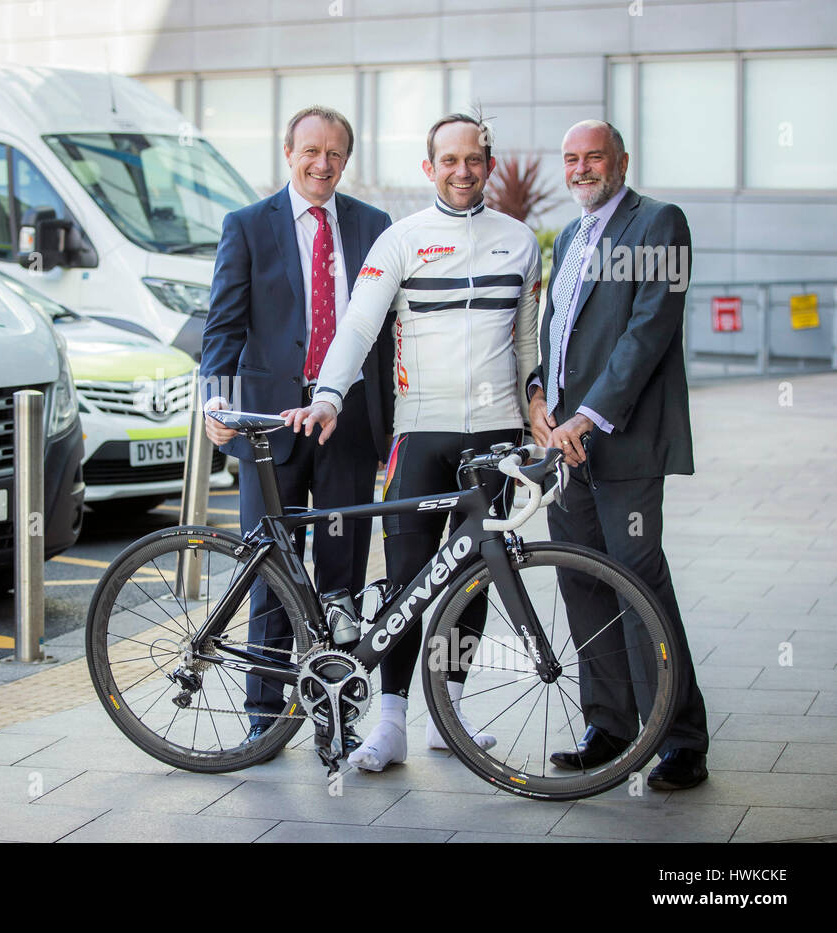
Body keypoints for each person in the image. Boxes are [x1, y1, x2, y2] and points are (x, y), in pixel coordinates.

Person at [285, 114, 541, 772]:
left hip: (497, 433)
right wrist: (330, 395)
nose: (462, 171)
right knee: (407, 582)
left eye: (473, 159)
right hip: (420, 433)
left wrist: (537, 405)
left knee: (476, 575)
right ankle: (392, 722)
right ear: (429, 169)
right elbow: (358, 326)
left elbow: (528, 342)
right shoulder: (400, 241)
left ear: (488, 162)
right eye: (447, 160)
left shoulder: (520, 242)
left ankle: (447, 715)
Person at [199, 106, 394, 752]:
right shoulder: (248, 226)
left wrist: (392, 429)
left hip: (348, 424)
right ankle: (264, 712)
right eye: (311, 150)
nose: (322, 164)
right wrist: (215, 402)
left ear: (347, 160)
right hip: (267, 430)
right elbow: (223, 326)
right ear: (288, 152)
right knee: (271, 570)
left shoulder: (373, 226)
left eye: (335, 154)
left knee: (341, 577)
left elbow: (387, 333)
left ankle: (332, 712)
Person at [527, 119, 709, 790]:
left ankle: (683, 737)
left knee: (640, 582)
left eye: (593, 156)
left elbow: (646, 332)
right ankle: (609, 725)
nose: (581, 168)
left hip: (622, 438)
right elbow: (559, 329)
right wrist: (542, 394)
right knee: (582, 580)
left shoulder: (659, 223)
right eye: (570, 157)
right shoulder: (571, 236)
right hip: (564, 446)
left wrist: (588, 415)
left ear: (621, 160)